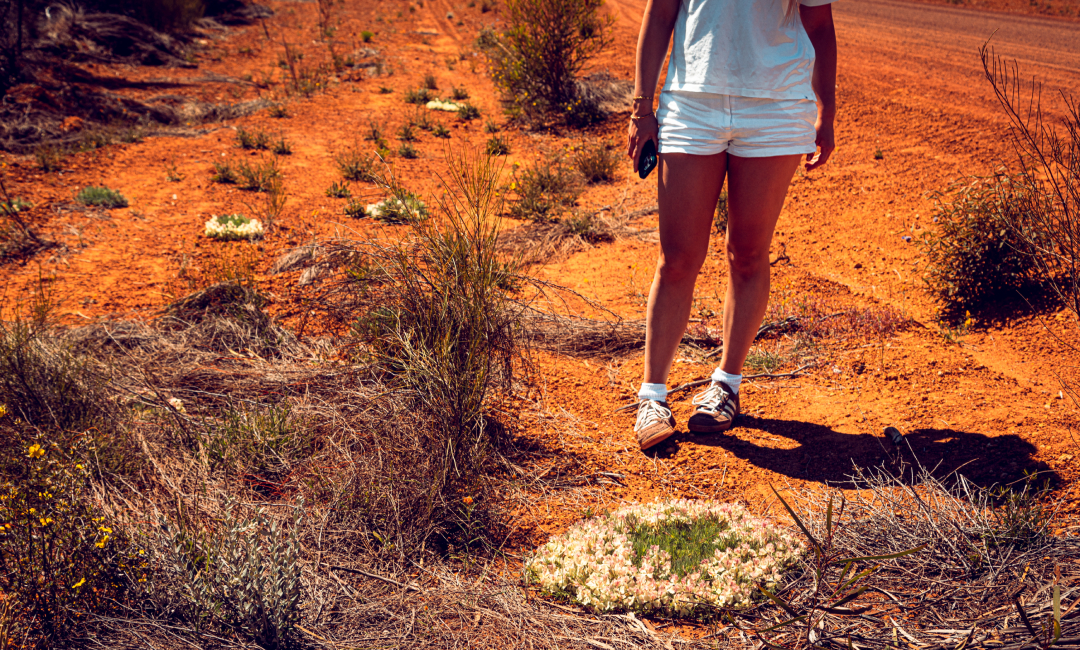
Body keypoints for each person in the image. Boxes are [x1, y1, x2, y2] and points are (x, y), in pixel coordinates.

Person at [626, 0, 837, 451]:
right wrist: (642, 108)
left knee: (748, 253)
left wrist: (827, 110)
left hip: (776, 108)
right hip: (690, 103)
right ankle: (652, 396)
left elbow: (819, 23)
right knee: (678, 258)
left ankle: (726, 384)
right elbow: (660, 13)